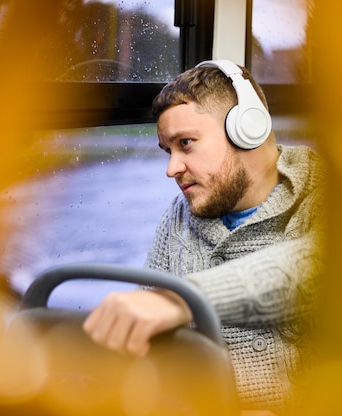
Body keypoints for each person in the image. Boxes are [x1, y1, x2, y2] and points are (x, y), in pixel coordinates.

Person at [82, 59, 326, 413]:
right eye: (168, 151)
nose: (171, 169)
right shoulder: (179, 217)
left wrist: (183, 300)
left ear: (248, 129)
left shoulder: (329, 199)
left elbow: (311, 268)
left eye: (186, 143)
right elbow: (145, 334)